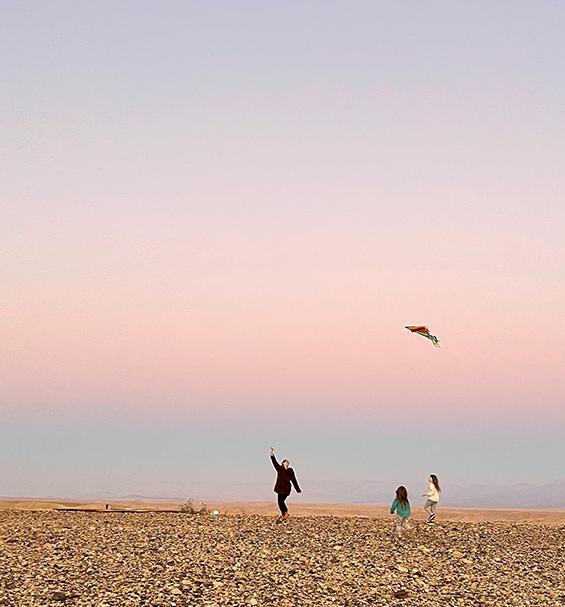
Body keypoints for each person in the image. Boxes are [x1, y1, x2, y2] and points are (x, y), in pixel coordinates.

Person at [269, 447, 301, 520]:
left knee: (281, 501)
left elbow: (294, 480)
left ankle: (285, 512)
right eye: (286, 461)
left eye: (288, 462)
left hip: (286, 489)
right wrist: (272, 454)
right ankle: (284, 514)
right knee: (280, 502)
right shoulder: (279, 469)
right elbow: (274, 462)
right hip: (280, 488)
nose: (287, 462)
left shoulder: (290, 470)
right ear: (283, 463)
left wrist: (298, 489)